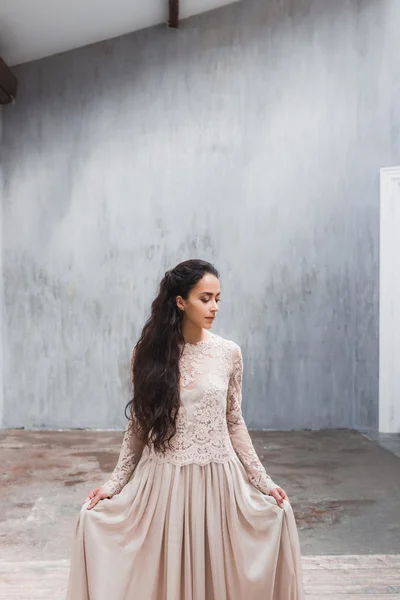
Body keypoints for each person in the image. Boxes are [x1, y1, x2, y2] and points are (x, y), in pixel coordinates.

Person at [66, 259, 304, 600]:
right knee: (145, 563)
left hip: (218, 482)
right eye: (205, 298)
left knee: (237, 553)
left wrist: (263, 482)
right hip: (164, 483)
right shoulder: (147, 354)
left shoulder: (229, 353)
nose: (214, 307)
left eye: (218, 298)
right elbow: (138, 426)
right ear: (181, 301)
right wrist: (113, 484)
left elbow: (234, 421)